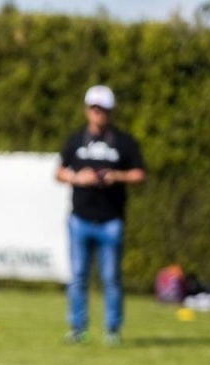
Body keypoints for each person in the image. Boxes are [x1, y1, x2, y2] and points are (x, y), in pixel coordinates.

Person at [55, 84, 146, 346]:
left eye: (103, 109)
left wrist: (116, 176)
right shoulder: (75, 140)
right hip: (80, 219)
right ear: (87, 111)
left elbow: (140, 174)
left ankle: (112, 331)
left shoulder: (124, 142)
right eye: (94, 108)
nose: (98, 114)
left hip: (111, 221)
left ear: (110, 112)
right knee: (78, 277)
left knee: (111, 279)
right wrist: (77, 177)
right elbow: (59, 172)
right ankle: (77, 329)